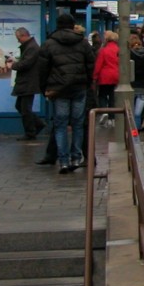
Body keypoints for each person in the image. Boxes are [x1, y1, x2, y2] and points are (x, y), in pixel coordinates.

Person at [37, 13, 96, 174]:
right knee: (78, 124)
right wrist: (88, 82)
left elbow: (42, 69)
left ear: (57, 24)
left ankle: (63, 160)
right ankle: (76, 157)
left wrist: (45, 88)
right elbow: (91, 65)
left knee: (61, 125)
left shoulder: (48, 44)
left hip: (58, 89)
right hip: (79, 87)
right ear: (72, 25)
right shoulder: (83, 43)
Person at [7, 26, 45, 140]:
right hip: (27, 82)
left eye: (18, 37)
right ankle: (37, 125)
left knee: (25, 108)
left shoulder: (32, 47)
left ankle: (31, 132)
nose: (18, 40)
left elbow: (26, 64)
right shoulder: (31, 46)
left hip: (28, 82)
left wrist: (13, 65)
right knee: (21, 106)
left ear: (24, 36)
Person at [93, 31, 120, 123]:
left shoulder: (104, 50)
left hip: (104, 76)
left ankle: (104, 112)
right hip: (116, 75)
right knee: (112, 97)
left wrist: (95, 77)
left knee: (102, 95)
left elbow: (98, 65)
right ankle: (112, 118)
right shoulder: (119, 50)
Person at [129, 32, 144, 129]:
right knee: (137, 114)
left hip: (130, 87)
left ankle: (129, 133)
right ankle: (136, 135)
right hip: (142, 88)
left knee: (129, 113)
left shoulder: (128, 55)